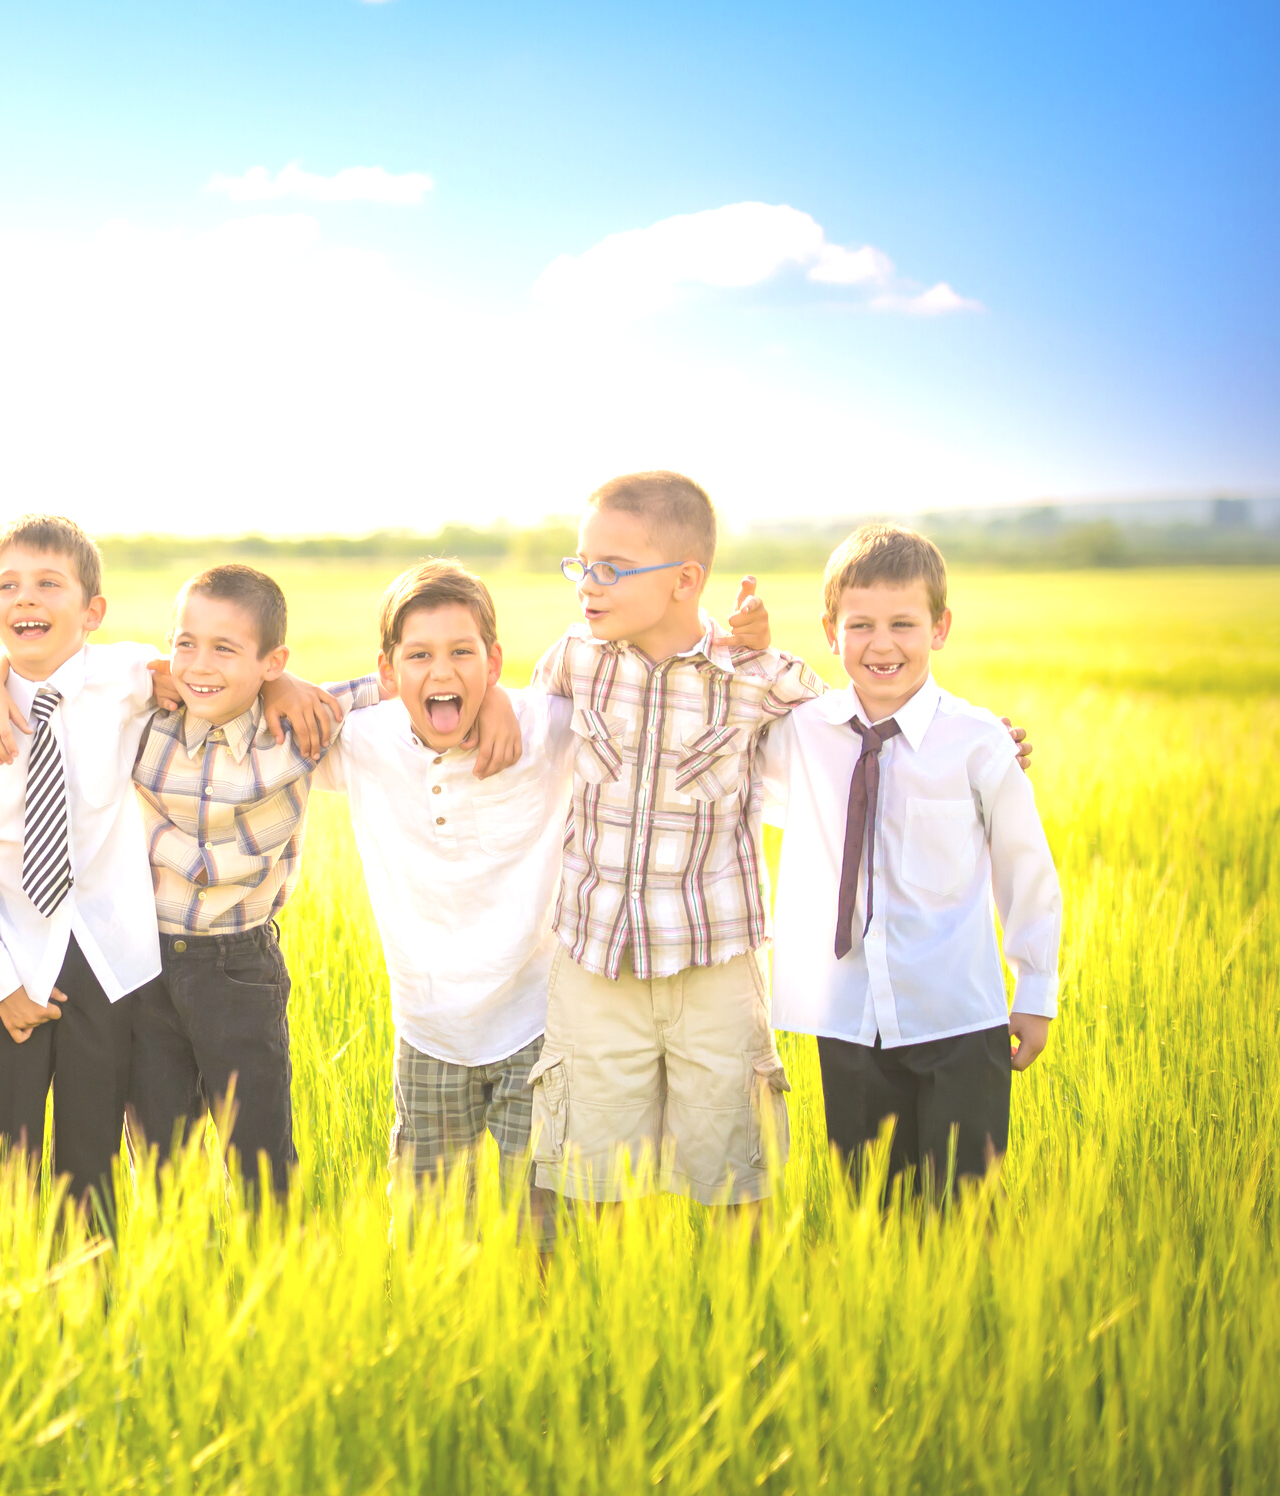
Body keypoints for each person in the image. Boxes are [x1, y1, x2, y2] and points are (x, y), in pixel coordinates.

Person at [0, 516, 342, 1224]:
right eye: (8, 587)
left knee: (91, 1153)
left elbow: (212, 665)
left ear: (92, 612)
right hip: (4, 952)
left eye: (48, 584)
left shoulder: (123, 677)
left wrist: (284, 684)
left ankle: (92, 1295)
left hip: (106, 959)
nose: (26, 599)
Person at [123, 564, 517, 1204]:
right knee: (163, 1166)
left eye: (225, 648)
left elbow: (404, 686)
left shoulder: (297, 726)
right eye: (185, 644)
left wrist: (496, 698)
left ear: (271, 661)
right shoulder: (143, 720)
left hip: (238, 968)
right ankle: (180, 1297)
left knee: (260, 1157)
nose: (199, 663)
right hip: (143, 963)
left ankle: (277, 1287)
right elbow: (68, 674)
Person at [526, 471, 820, 1213]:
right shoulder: (573, 659)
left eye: (611, 568)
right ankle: (611, 1321)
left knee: (735, 1183)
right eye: (580, 563)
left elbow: (859, 736)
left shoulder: (755, 677)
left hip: (714, 967)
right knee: (592, 1186)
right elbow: (509, 728)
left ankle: (738, 1324)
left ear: (686, 579)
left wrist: (978, 746)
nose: (586, 585)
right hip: (595, 965)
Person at [761, 524, 1059, 1193]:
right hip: (843, 1016)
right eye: (859, 624)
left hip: (957, 1011)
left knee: (962, 1210)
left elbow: (1025, 870)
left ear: (940, 626)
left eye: (903, 622)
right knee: (871, 1211)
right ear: (830, 630)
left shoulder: (978, 741)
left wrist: (1034, 989)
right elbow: (721, 755)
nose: (881, 643)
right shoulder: (802, 733)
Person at [312, 561, 586, 1239]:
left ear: (494, 660)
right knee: (427, 1239)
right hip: (428, 1029)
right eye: (419, 655)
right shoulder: (366, 739)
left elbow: (632, 688)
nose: (442, 671)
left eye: (462, 653)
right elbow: (265, 706)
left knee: (547, 1231)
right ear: (386, 671)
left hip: (539, 1025)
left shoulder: (545, 728)